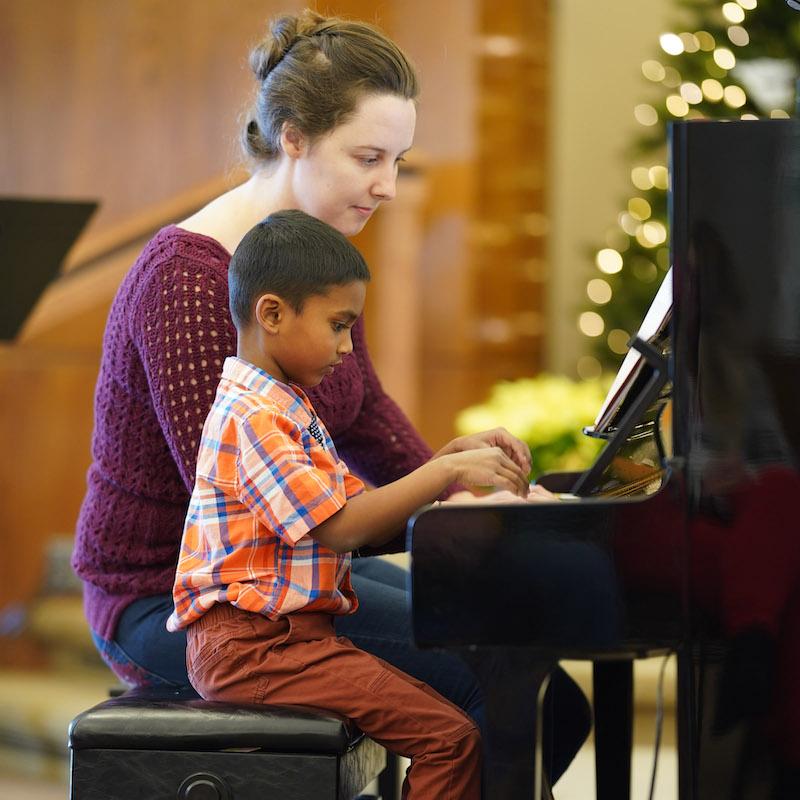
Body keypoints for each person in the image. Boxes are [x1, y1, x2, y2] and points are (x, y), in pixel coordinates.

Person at [72, 7, 590, 787]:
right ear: (292, 138)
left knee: (540, 683)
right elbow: (263, 519)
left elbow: (373, 423)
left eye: (398, 158)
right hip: (175, 602)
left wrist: (477, 507)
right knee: (501, 685)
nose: (388, 184)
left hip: (284, 570)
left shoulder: (310, 262)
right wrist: (441, 505)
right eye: (368, 157)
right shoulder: (186, 280)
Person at [169, 209, 541, 798]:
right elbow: (341, 529)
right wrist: (445, 470)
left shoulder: (285, 407)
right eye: (338, 325)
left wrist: (448, 455)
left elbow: (363, 513)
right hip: (253, 649)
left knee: (450, 721)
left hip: (291, 641)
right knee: (449, 738)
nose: (347, 347)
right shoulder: (255, 418)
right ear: (271, 314)